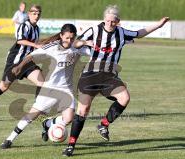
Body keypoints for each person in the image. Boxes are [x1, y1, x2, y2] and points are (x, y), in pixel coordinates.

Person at [62, 5, 170, 156]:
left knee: (124, 97)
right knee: (83, 110)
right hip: (90, 74)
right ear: (104, 19)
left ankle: (103, 125)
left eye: (113, 21)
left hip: (109, 76)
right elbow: (74, 43)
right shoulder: (94, 30)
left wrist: (159, 24)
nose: (110, 24)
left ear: (118, 21)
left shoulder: (121, 32)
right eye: (108, 21)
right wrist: (85, 43)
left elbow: (140, 33)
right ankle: (71, 145)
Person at [0, 24, 91, 149]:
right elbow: (31, 56)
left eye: (72, 38)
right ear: (61, 36)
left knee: (69, 118)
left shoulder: (77, 48)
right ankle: (9, 139)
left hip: (67, 89)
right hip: (50, 88)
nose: (69, 41)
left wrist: (91, 44)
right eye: (66, 38)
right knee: (32, 115)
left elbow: (95, 51)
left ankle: (48, 123)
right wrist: (19, 67)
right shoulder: (52, 47)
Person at [0, 5, 43, 122]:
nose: (36, 16)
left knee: (42, 82)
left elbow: (34, 46)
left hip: (27, 62)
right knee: (4, 86)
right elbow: (20, 40)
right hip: (15, 62)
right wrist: (36, 45)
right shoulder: (24, 26)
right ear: (29, 14)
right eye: (34, 13)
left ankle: (38, 111)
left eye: (38, 14)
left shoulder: (37, 29)